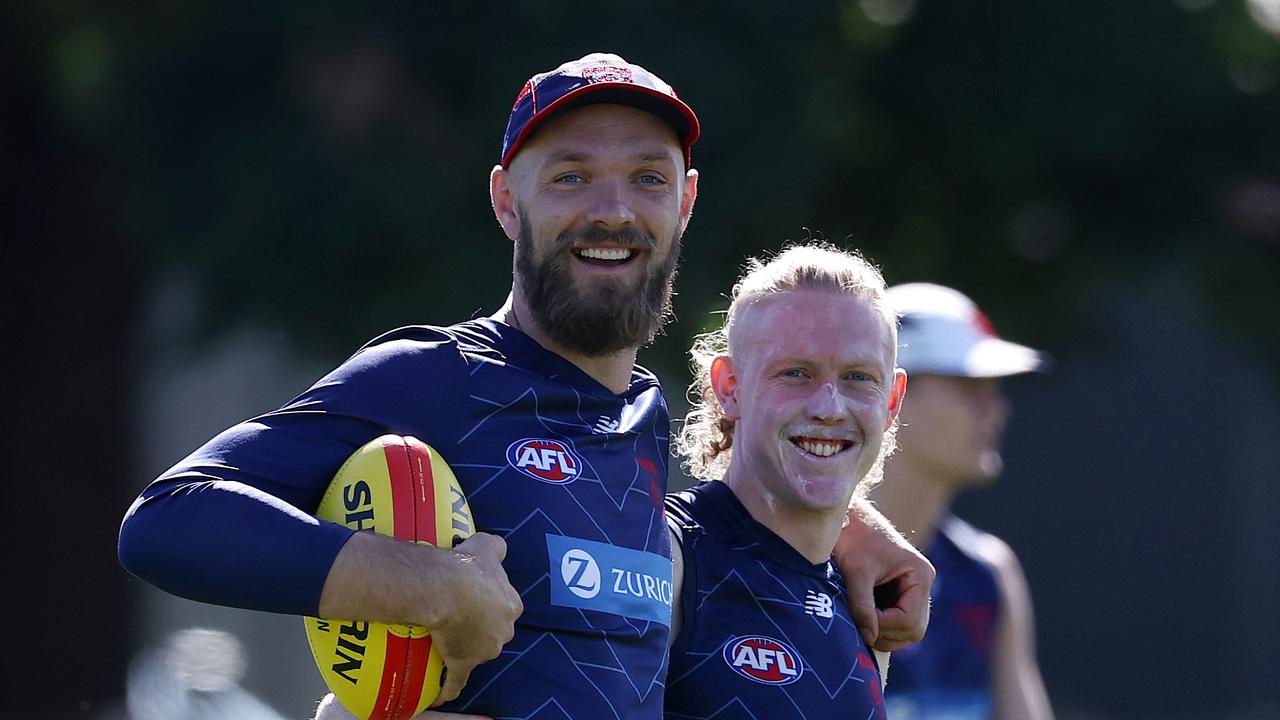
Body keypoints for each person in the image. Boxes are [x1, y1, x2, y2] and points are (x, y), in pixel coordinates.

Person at [119, 53, 931, 720]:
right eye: (571, 177)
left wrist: (847, 521)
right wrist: (431, 590)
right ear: (508, 201)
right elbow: (169, 522)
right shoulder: (435, 380)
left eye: (648, 178)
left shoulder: (643, 418)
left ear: (684, 203)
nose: (613, 210)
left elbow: (731, 502)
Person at [662, 244, 907, 718]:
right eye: (795, 373)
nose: (829, 407)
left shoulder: (869, 600)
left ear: (893, 401)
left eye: (858, 377)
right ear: (729, 387)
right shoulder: (668, 557)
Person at [870, 282, 1055, 720]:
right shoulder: (803, 564)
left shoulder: (991, 574)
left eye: (993, 388)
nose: (996, 409)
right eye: (968, 385)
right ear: (894, 392)